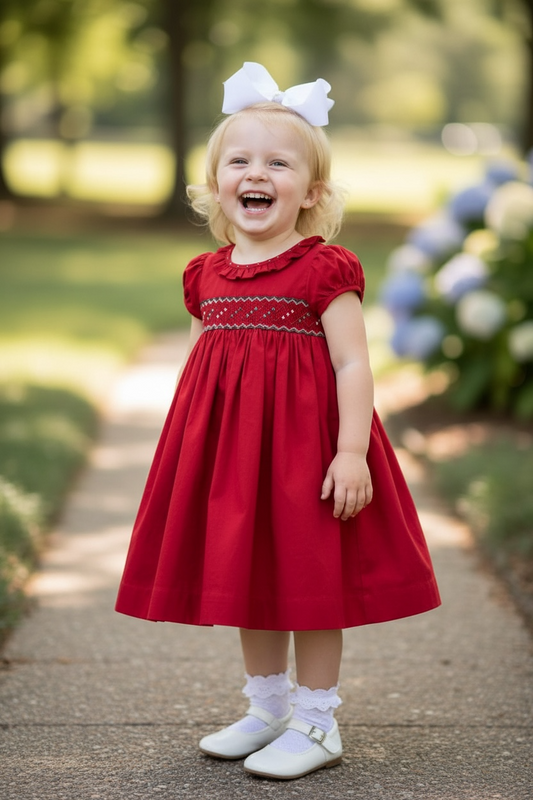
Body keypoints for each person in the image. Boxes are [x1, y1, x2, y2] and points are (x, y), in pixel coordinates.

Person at [115, 62, 441, 781]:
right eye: (239, 161)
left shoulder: (324, 269)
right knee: (249, 574)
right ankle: (266, 708)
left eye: (278, 163)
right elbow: (202, 362)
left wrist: (350, 453)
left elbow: (352, 365)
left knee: (311, 580)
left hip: (306, 452)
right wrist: (189, 446)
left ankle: (317, 721)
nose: (255, 173)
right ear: (216, 183)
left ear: (312, 191)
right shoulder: (206, 274)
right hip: (233, 453)